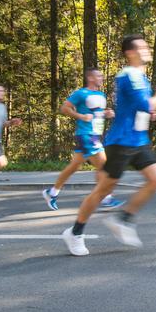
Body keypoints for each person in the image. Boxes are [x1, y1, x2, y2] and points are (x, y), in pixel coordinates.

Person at [61, 35, 156, 256]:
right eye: (142, 47)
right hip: (122, 141)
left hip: (138, 140)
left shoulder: (139, 77)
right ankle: (75, 232)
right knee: (103, 190)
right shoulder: (130, 75)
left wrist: (149, 113)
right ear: (130, 53)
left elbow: (137, 108)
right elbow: (145, 104)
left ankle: (123, 218)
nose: (147, 49)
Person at [42, 68, 124, 212]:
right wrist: (80, 116)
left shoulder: (101, 94)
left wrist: (106, 113)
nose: (101, 78)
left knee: (74, 166)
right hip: (87, 134)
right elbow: (64, 108)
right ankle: (106, 198)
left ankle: (52, 192)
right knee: (104, 166)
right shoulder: (81, 93)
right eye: (99, 76)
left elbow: (96, 113)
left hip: (96, 134)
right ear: (90, 78)